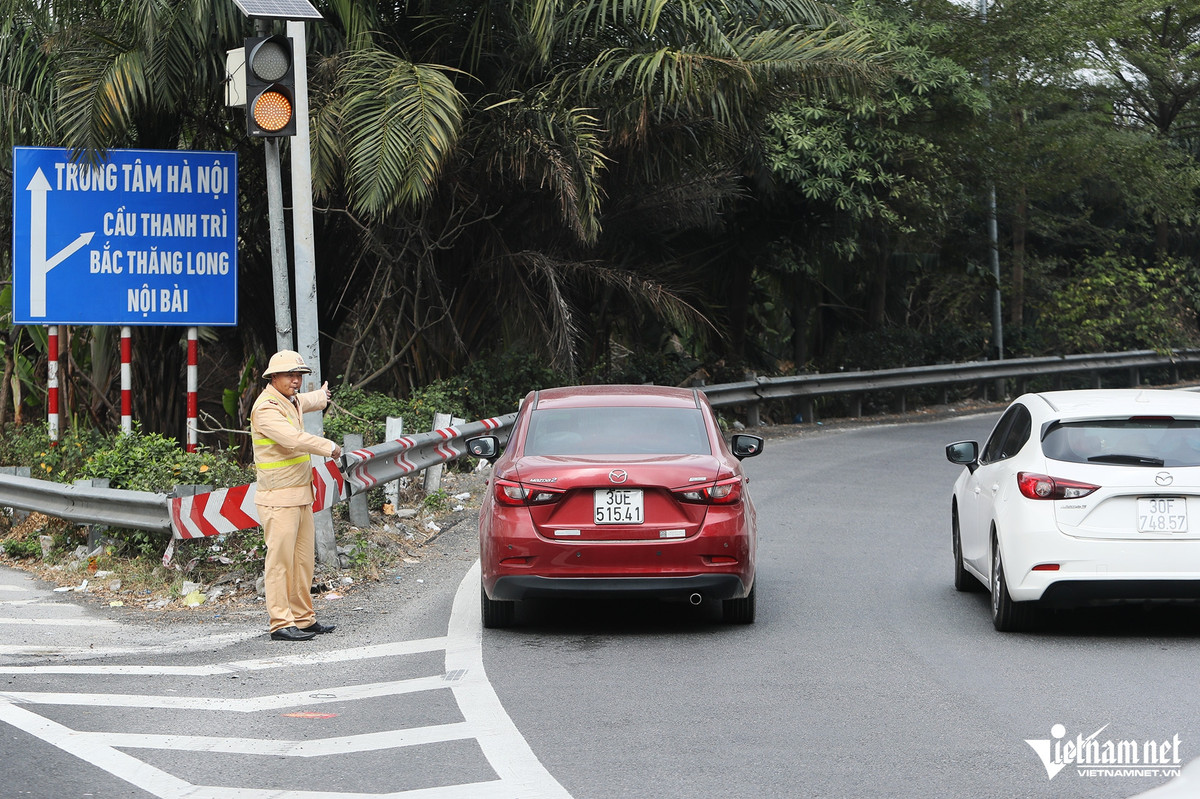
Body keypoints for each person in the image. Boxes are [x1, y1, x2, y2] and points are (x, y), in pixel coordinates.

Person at [250, 350, 343, 642]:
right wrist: (329, 447)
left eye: (299, 375)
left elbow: (305, 401)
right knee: (280, 563)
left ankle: (302, 618)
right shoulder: (266, 409)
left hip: (301, 495)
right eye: (290, 375)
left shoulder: (288, 400)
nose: (296, 380)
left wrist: (321, 396)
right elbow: (293, 439)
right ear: (273, 377)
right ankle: (280, 622)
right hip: (277, 498)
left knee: (303, 562)